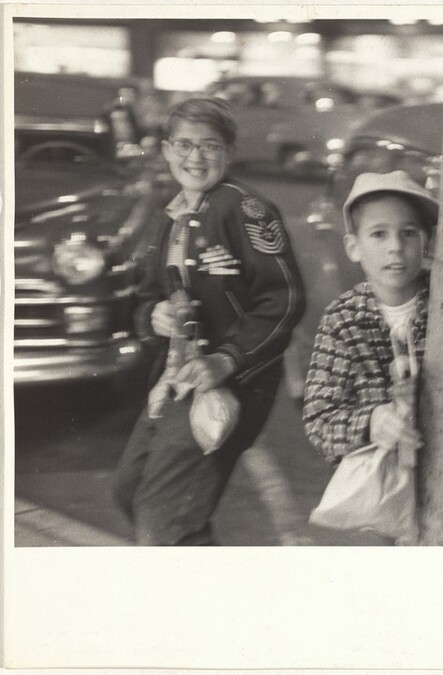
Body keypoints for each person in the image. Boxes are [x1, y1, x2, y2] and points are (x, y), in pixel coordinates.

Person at [113, 97, 305, 545]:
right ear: (165, 149)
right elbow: (147, 295)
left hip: (230, 381)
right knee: (129, 491)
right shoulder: (170, 214)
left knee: (164, 521)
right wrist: (153, 315)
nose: (195, 157)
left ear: (229, 152)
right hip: (174, 379)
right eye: (183, 144)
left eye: (209, 146)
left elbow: (285, 298)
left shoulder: (245, 209)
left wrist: (228, 358)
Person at [302, 170, 438, 470]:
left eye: (408, 233)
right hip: (377, 482)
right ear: (353, 247)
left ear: (426, 242)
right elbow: (319, 419)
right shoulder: (343, 319)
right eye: (379, 234)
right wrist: (371, 421)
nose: (395, 247)